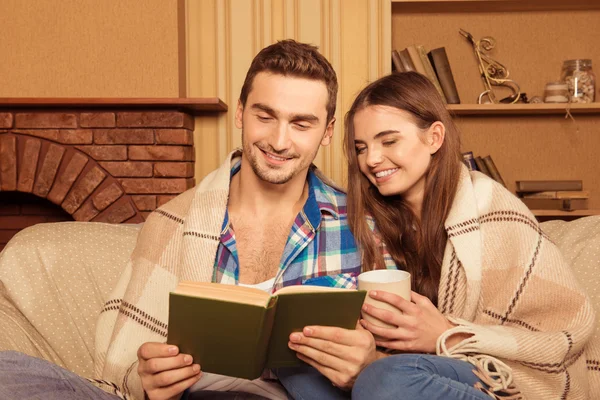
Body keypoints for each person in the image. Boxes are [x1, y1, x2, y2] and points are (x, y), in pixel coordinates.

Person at [0, 40, 393, 400]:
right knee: (9, 371)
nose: (279, 141)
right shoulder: (172, 220)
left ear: (326, 132)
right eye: (265, 116)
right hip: (196, 397)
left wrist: (370, 366)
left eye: (301, 124)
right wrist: (148, 377)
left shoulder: (363, 225)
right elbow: (124, 366)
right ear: (240, 114)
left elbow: (406, 365)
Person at [276, 72, 597, 399]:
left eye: (389, 141)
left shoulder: (493, 212)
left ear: (434, 138)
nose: (371, 159)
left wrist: (446, 333)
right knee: (296, 358)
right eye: (361, 147)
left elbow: (566, 329)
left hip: (499, 372)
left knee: (386, 379)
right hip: (407, 368)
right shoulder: (374, 220)